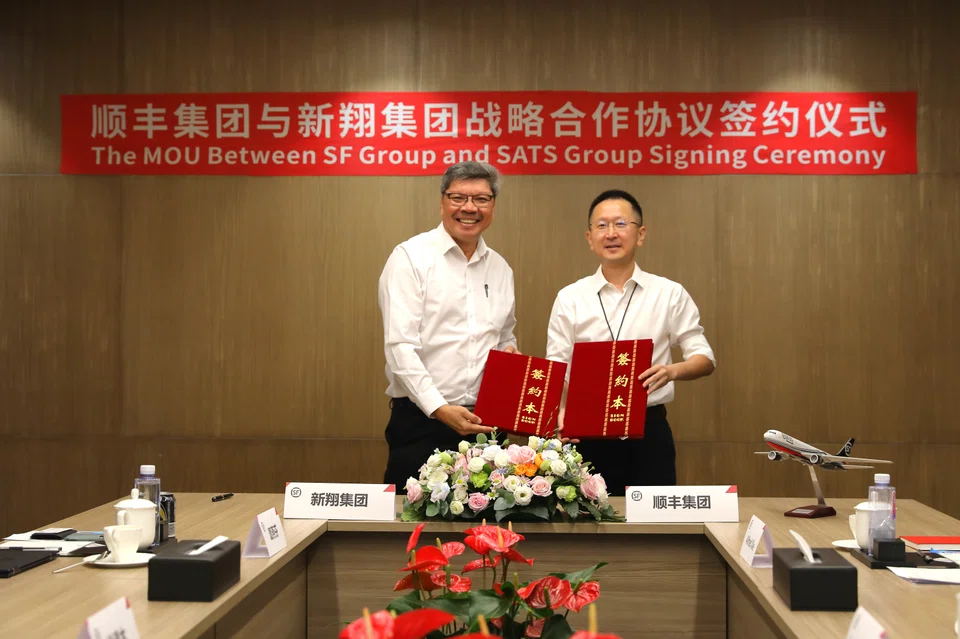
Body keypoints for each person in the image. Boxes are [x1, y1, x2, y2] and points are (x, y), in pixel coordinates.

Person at [546, 189, 715, 494]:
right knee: (588, 530)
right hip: (586, 433)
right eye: (601, 226)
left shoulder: (669, 293)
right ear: (589, 237)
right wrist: (560, 412)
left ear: (640, 234)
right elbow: (558, 367)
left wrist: (671, 371)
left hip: (648, 431)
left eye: (621, 224)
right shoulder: (570, 297)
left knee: (654, 529)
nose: (611, 234)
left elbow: (704, 358)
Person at [378, 161, 518, 487]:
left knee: (487, 527)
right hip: (422, 421)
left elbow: (505, 335)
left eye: (481, 199)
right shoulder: (410, 258)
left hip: (485, 424)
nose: (469, 208)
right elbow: (400, 346)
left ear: (493, 206)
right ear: (442, 201)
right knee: (411, 529)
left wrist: (509, 357)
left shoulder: (500, 268)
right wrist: (439, 407)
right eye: (458, 198)